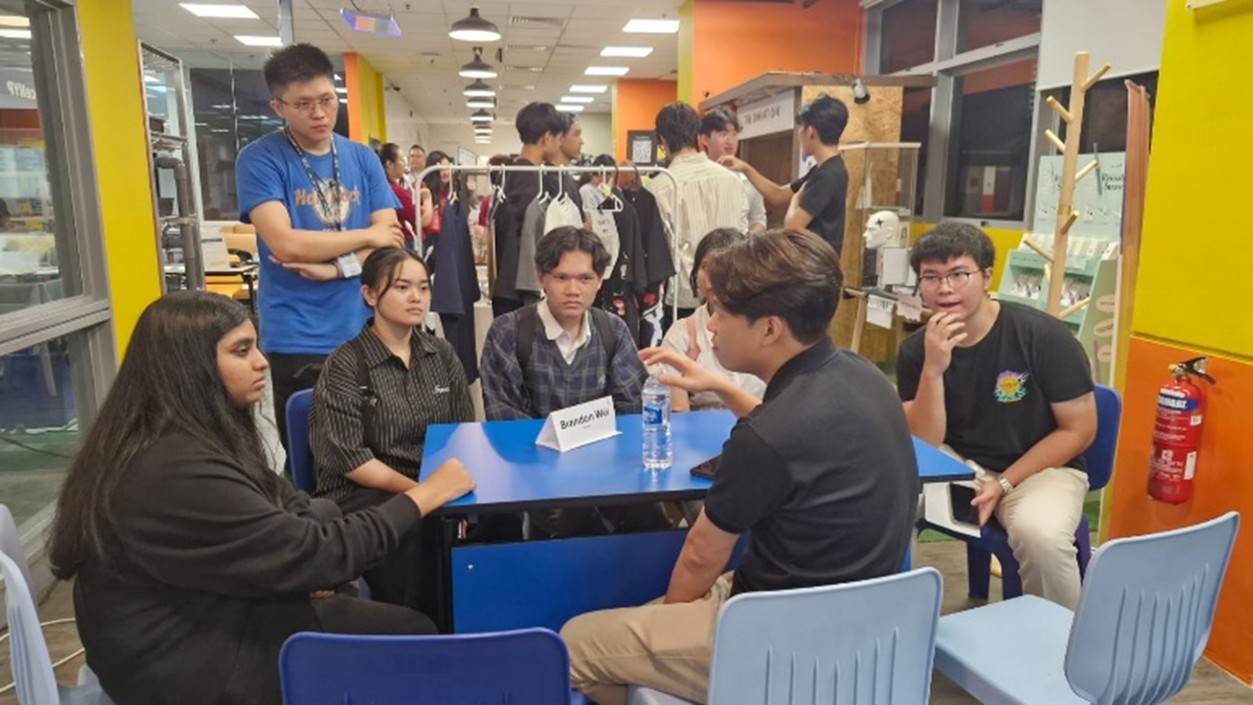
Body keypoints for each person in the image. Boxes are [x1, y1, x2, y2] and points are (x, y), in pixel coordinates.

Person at [46, 291, 476, 705]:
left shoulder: (187, 435)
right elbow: (316, 553)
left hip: (207, 612)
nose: (262, 363)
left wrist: (305, 556)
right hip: (186, 667)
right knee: (413, 633)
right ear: (191, 367)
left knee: (351, 522)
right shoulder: (176, 469)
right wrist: (424, 495)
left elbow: (282, 501)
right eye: (241, 351)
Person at [560, 229, 919, 705]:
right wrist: (719, 385)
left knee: (572, 644)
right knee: (640, 622)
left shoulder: (763, 439)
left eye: (722, 314)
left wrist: (671, 626)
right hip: (865, 625)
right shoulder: (863, 376)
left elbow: (699, 558)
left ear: (769, 329)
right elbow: (795, 437)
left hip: (777, 643)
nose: (710, 327)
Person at [896, 223, 1096, 609]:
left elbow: (1080, 430)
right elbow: (926, 442)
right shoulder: (916, 351)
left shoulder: (1042, 337)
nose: (945, 288)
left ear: (987, 276)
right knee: (884, 507)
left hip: (1041, 470)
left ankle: (1059, 654)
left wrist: (1004, 483)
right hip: (958, 469)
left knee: (1040, 536)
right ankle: (894, 631)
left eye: (959, 274)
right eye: (931, 277)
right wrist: (933, 369)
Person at [235, 43, 404, 463]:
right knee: (313, 457)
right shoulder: (260, 160)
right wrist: (367, 235)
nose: (320, 114)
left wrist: (336, 269)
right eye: (304, 104)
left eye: (327, 100)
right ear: (279, 106)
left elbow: (391, 245)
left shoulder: (362, 158)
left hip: (369, 327)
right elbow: (286, 243)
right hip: (299, 334)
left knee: (378, 448)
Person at [310, 247, 475, 608]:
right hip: (363, 491)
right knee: (412, 532)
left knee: (498, 525)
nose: (416, 297)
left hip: (434, 482)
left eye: (423, 287)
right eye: (402, 287)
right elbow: (352, 460)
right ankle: (418, 635)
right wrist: (423, 493)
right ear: (369, 294)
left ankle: (476, 629)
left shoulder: (442, 354)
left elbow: (463, 432)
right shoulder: (345, 364)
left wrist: (440, 489)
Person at [480, 226, 669, 537]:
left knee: (651, 520)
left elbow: (631, 409)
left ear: (599, 281)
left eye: (585, 279)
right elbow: (505, 420)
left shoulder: (613, 330)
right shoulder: (510, 331)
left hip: (605, 469)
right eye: (561, 277)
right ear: (541, 278)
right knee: (571, 523)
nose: (573, 289)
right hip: (533, 474)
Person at [647, 102, 746, 326]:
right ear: (698, 135)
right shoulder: (732, 180)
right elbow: (743, 231)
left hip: (684, 295)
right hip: (732, 289)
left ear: (662, 140)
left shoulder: (659, 187)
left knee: (684, 355)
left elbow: (661, 246)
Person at [720, 93, 849, 255]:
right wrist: (745, 168)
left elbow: (792, 228)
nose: (799, 133)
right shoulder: (823, 170)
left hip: (816, 268)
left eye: (800, 127)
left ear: (810, 132)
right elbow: (778, 194)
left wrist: (796, 198)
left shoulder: (829, 175)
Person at [660, 228, 765, 412]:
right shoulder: (681, 335)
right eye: (705, 267)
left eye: (723, 268)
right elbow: (679, 413)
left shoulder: (765, 325)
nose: (712, 278)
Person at [699, 108, 766, 235]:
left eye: (734, 134)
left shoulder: (748, 178)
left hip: (739, 250)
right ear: (705, 140)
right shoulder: (697, 177)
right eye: (723, 134)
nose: (730, 141)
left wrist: (748, 237)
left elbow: (758, 218)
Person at [377, 142, 419, 247]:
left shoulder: (381, 187)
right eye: (401, 159)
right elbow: (421, 219)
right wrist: (428, 199)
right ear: (389, 164)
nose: (405, 164)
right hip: (400, 243)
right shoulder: (396, 192)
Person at [420, 150, 453, 258]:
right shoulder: (421, 188)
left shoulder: (451, 190)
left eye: (448, 168)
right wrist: (428, 199)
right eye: (441, 169)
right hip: (427, 242)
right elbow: (424, 221)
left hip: (446, 240)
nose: (446, 172)